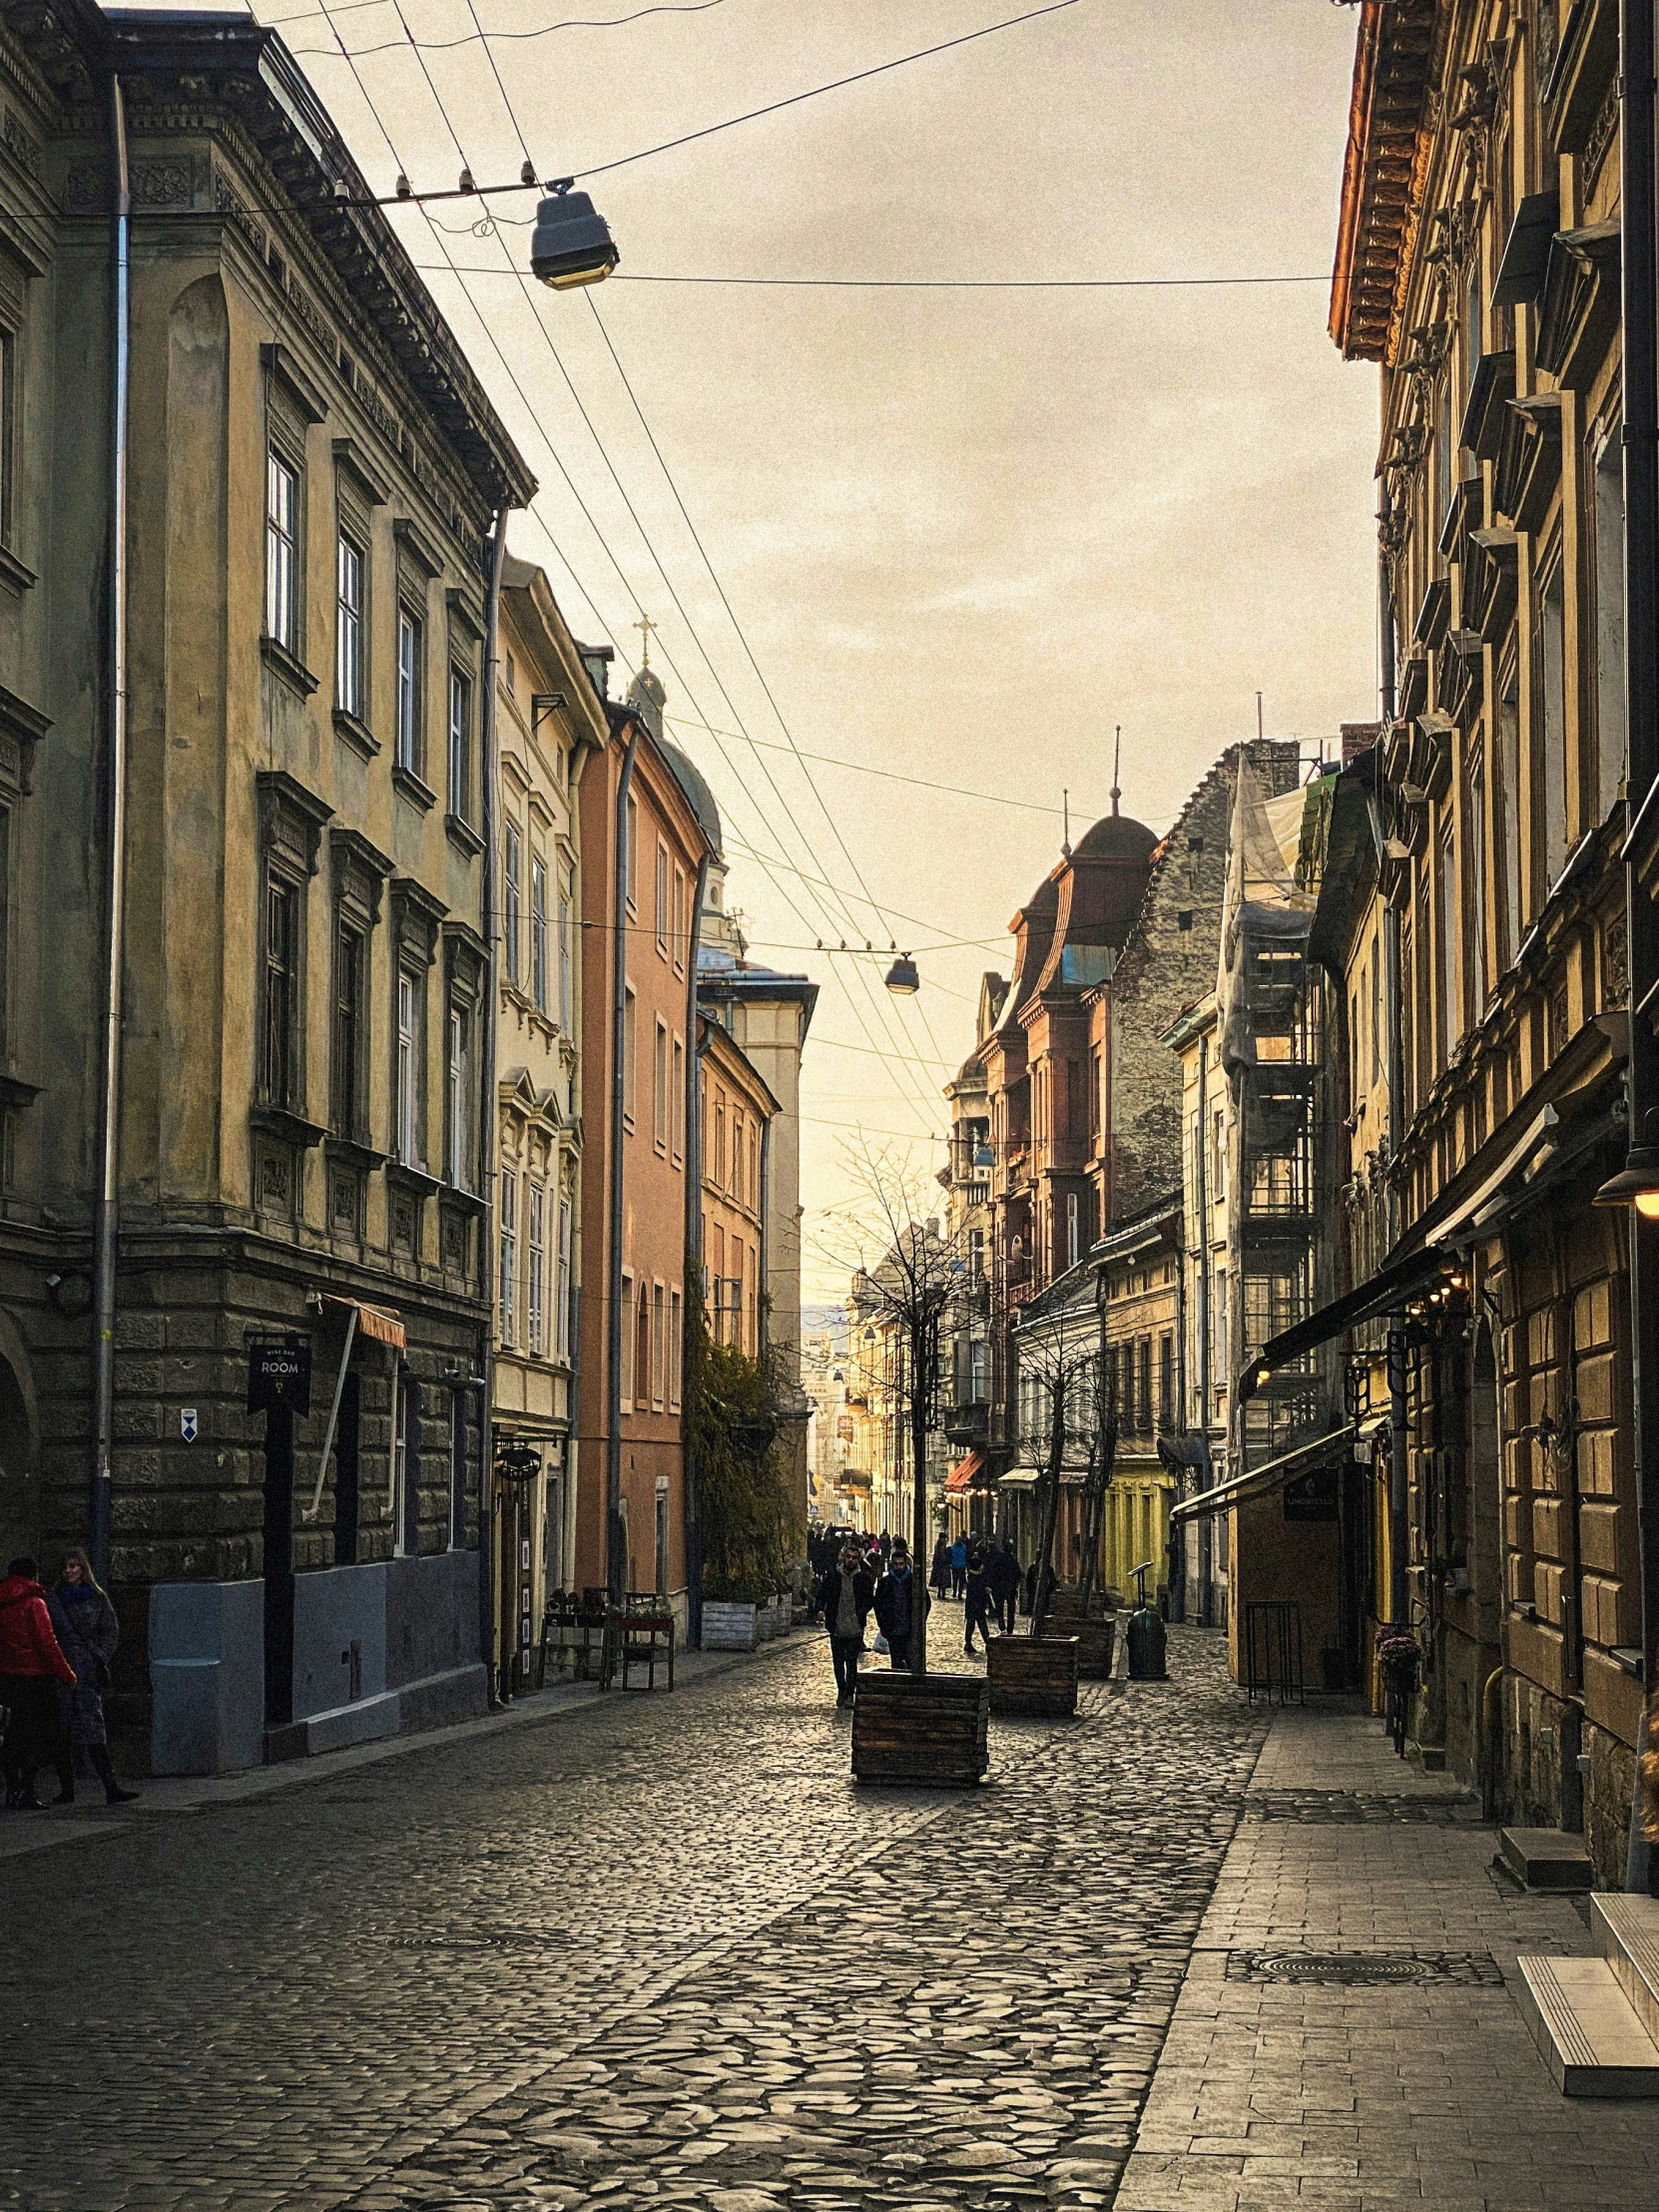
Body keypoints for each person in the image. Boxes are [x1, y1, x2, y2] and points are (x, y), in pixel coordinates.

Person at [48, 1550, 137, 1808]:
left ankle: (110, 1786)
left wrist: (99, 1656)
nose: (69, 1571)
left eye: (74, 1566)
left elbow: (110, 1629)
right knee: (62, 1729)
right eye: (66, 1566)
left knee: (92, 1727)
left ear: (82, 1569)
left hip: (86, 1669)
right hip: (62, 1667)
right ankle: (67, 1789)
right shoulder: (55, 1599)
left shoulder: (96, 1597)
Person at [0, 1555, 76, 1810]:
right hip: (35, 1679)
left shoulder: (3, 1602)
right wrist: (67, 1675)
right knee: (37, 1738)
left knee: (10, 1736)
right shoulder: (34, 1603)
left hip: (7, 1678)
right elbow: (48, 1643)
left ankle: (12, 1788)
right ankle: (28, 1791)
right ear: (33, 1575)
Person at [818, 1541, 875, 1706]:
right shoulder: (833, 1576)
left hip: (855, 1627)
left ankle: (850, 1692)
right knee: (837, 1663)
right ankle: (841, 1690)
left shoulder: (863, 1578)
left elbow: (869, 1600)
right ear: (843, 1557)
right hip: (836, 1626)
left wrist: (860, 1613)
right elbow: (822, 1595)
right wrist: (820, 1609)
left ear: (858, 1560)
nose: (850, 1560)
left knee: (851, 1662)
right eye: (848, 1557)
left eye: (854, 1558)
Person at [873, 1541, 929, 1670]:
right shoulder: (885, 1583)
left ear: (906, 1563)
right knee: (896, 1664)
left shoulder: (914, 1582)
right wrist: (882, 1623)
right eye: (896, 1564)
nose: (899, 1567)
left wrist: (919, 1622)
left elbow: (926, 1602)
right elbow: (877, 1605)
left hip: (910, 1630)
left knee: (911, 1662)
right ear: (892, 1564)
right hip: (893, 1631)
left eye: (901, 1564)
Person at [963, 1541, 994, 1656]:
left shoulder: (971, 1575)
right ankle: (986, 1642)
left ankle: (968, 1642)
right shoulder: (980, 1572)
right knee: (980, 1621)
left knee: (971, 1621)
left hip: (972, 1600)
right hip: (978, 1600)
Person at [991, 1538, 1021, 1635]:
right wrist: (1016, 1585)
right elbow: (1018, 1574)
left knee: (999, 1608)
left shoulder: (998, 1559)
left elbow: (994, 1573)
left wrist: (993, 1585)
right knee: (1011, 1608)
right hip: (1010, 1587)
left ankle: (1002, 1627)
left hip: (1000, 1587)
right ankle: (1010, 1628)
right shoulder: (1013, 1561)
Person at [929, 1534, 950, 1601]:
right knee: (941, 1579)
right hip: (941, 1565)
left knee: (942, 1579)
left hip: (941, 1565)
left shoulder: (942, 1545)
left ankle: (942, 1593)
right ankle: (940, 1593)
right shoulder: (940, 1545)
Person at [949, 1533, 968, 1600]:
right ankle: (955, 1592)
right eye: (957, 1540)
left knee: (961, 1581)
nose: (958, 1541)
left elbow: (966, 1556)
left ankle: (959, 1593)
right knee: (955, 1580)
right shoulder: (952, 1548)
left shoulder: (964, 1547)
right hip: (955, 1566)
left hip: (961, 1566)